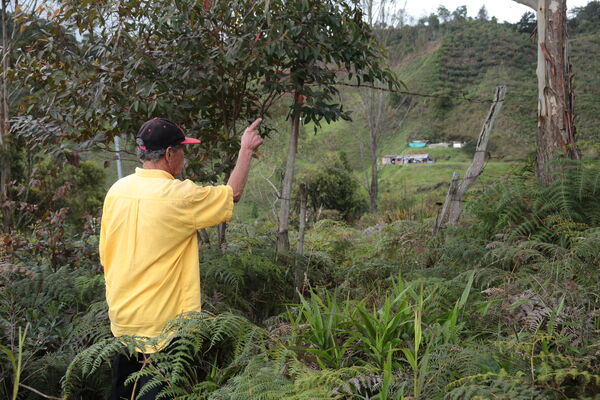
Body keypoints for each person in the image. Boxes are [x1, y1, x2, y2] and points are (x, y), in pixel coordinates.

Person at [99, 117, 263, 399]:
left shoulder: (117, 191)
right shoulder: (179, 196)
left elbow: (105, 253)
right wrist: (246, 150)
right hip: (163, 327)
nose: (184, 158)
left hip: (123, 321)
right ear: (169, 154)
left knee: (123, 393)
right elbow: (231, 194)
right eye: (182, 150)